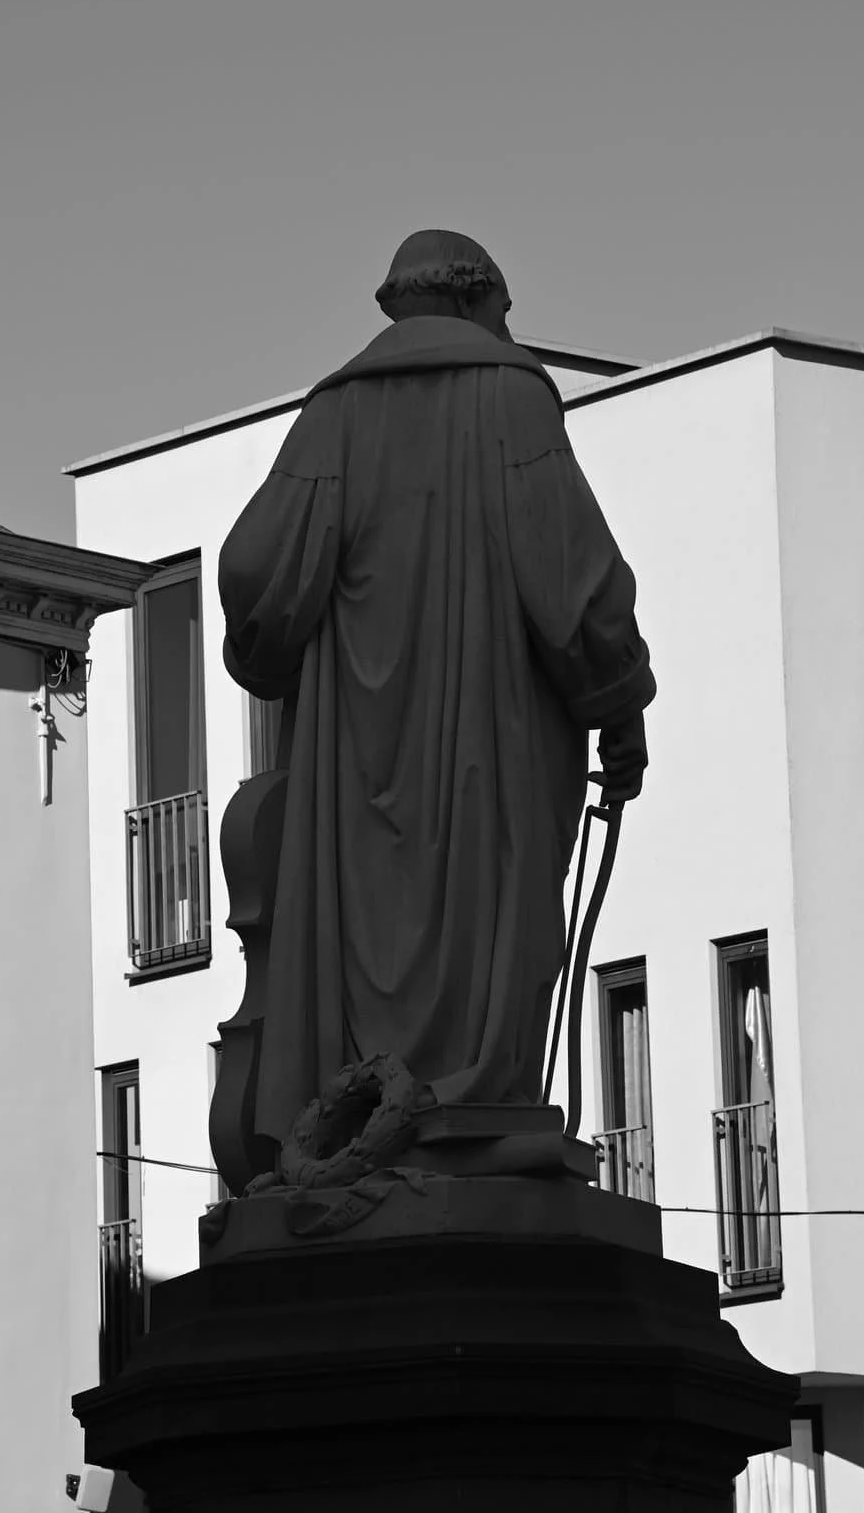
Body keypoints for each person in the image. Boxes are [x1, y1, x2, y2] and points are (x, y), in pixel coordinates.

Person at [220, 230, 653, 1151]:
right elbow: (577, 588)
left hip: (353, 797)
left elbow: (255, 568)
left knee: (350, 947)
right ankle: (476, 1110)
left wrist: (272, 641)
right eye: (504, 309)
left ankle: (359, 1112)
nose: (509, 327)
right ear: (476, 299)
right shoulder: (513, 399)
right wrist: (619, 711)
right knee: (495, 936)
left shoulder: (332, 415)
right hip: (485, 770)